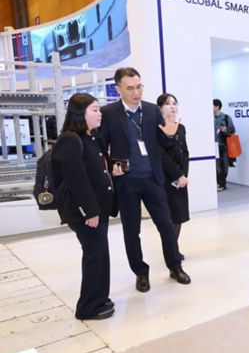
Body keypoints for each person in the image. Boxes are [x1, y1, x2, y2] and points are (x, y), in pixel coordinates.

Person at [98, 67, 191, 293]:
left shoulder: (151, 110)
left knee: (166, 225)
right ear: (118, 89)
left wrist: (170, 134)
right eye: (130, 88)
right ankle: (141, 272)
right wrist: (111, 168)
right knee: (132, 231)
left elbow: (163, 144)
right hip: (127, 182)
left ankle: (175, 266)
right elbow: (100, 146)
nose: (136, 92)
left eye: (139, 87)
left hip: (153, 179)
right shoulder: (108, 113)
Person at [51, 93, 120, 320]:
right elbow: (76, 179)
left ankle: (99, 298)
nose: (100, 114)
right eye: (95, 109)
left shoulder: (90, 137)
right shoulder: (70, 139)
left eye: (99, 109)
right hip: (86, 213)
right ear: (80, 113)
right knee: (94, 256)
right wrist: (89, 211)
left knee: (100, 255)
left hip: (98, 210)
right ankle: (88, 308)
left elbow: (95, 171)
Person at [157, 93, 189, 249]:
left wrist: (184, 175)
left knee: (179, 215)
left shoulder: (181, 127)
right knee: (169, 217)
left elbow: (185, 152)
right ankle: (171, 250)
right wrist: (177, 175)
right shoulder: (158, 128)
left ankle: (174, 248)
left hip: (181, 180)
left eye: (174, 103)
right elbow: (161, 155)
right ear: (160, 108)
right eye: (168, 103)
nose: (172, 106)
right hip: (166, 178)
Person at [213, 99, 236, 191]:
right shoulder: (208, 118)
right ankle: (221, 184)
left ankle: (222, 183)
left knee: (225, 166)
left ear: (217, 107)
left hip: (224, 145)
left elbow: (233, 130)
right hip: (214, 146)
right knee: (217, 166)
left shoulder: (226, 117)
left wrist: (226, 130)